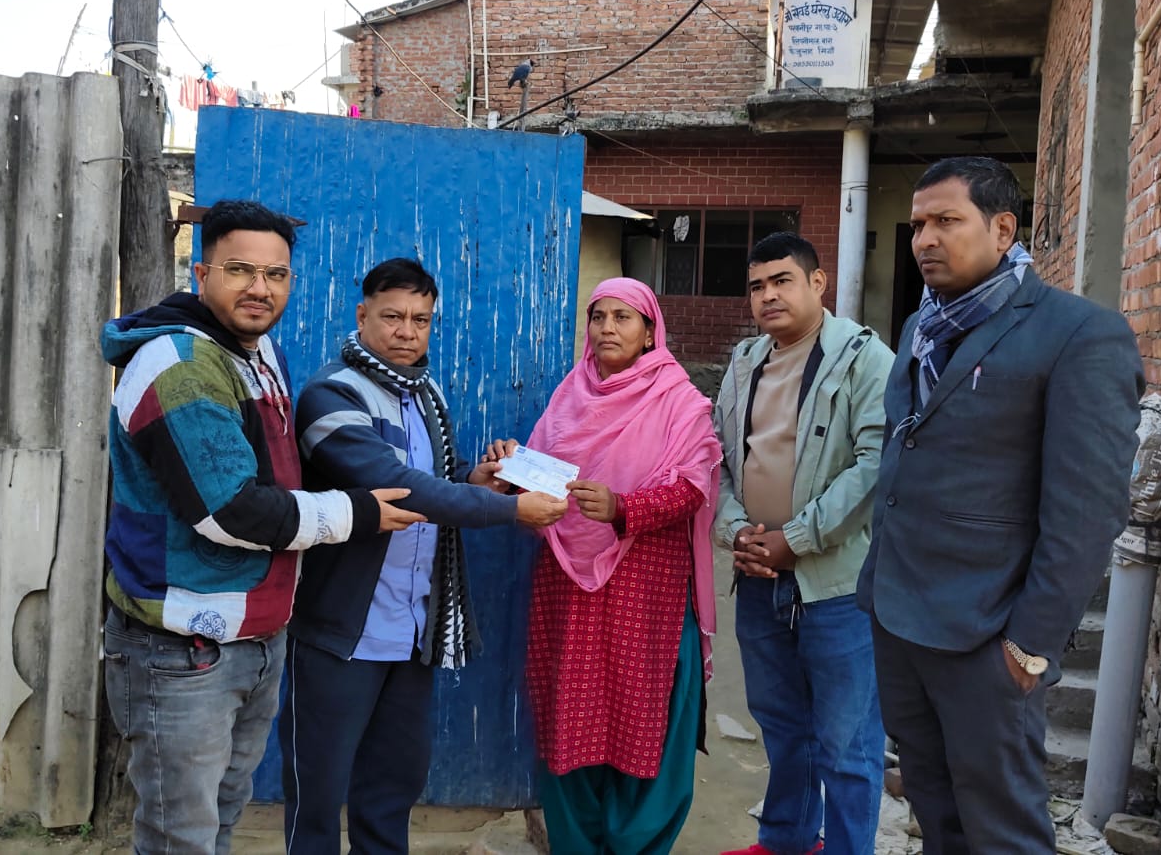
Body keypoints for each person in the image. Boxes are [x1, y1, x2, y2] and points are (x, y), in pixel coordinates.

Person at [100, 199, 424, 855]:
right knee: (180, 838)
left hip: (251, 636)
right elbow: (232, 510)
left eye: (275, 275)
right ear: (201, 273)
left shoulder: (255, 350)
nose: (260, 288)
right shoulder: (181, 365)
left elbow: (278, 477)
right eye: (240, 270)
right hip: (181, 647)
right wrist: (356, 511)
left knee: (218, 820)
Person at [858, 156, 1143, 853]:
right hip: (901, 619)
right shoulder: (921, 327)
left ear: (1002, 229)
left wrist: (1030, 646)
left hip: (987, 634)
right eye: (918, 224)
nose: (925, 239)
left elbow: (1088, 509)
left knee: (1002, 830)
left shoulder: (1078, 334)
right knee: (936, 812)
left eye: (946, 221)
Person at [279, 258, 569, 855]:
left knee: (393, 784)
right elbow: (401, 487)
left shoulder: (424, 393)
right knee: (318, 788)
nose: (407, 331)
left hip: (413, 629)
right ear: (362, 315)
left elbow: (434, 479)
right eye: (392, 317)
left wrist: (476, 479)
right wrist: (508, 510)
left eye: (421, 319)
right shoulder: (330, 396)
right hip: (343, 631)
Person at [484, 278, 722, 855]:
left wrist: (623, 507)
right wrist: (508, 471)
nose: (608, 328)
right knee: (571, 717)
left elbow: (693, 486)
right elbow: (541, 478)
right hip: (569, 588)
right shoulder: (570, 396)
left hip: (647, 592)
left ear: (649, 331)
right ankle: (576, 843)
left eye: (623, 317)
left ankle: (636, 844)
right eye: (598, 316)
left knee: (643, 721)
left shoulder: (680, 402)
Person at [715, 232, 896, 855]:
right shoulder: (745, 363)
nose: (767, 296)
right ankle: (787, 840)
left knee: (847, 743)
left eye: (781, 281)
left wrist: (795, 538)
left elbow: (876, 465)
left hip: (837, 584)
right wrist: (737, 531)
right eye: (756, 286)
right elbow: (719, 461)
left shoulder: (865, 359)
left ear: (818, 283)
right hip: (759, 577)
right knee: (783, 726)